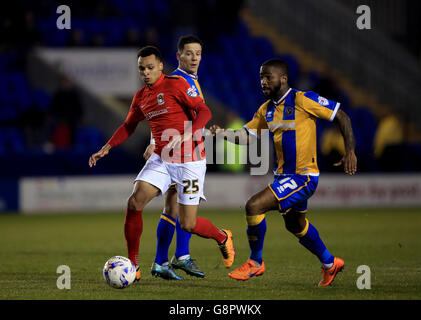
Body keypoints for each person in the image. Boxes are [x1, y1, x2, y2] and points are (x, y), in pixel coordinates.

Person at [89, 46, 235, 282]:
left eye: (149, 67)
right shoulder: (140, 97)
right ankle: (134, 265)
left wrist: (189, 133)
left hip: (190, 161)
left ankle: (222, 236)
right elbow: (128, 126)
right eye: (141, 69)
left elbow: (204, 112)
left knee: (187, 224)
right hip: (162, 158)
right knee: (135, 202)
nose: (145, 73)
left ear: (160, 66)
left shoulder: (177, 84)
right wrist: (107, 147)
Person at [211, 58, 357, 286]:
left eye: (268, 77)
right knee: (296, 225)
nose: (263, 82)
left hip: (303, 176)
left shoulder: (303, 99)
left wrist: (350, 151)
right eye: (261, 77)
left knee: (254, 205)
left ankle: (255, 262)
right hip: (283, 177)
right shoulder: (266, 110)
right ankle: (330, 263)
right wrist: (222, 134)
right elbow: (246, 136)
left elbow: (341, 116)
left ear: (284, 79)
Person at [143, 35, 207, 279]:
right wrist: (153, 142)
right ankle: (181, 256)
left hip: (181, 150)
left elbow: (167, 113)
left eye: (198, 53)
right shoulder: (179, 79)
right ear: (178, 55)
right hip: (182, 155)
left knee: (171, 207)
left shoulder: (190, 80)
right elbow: (161, 113)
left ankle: (163, 261)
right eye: (189, 53)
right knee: (181, 209)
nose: (194, 58)